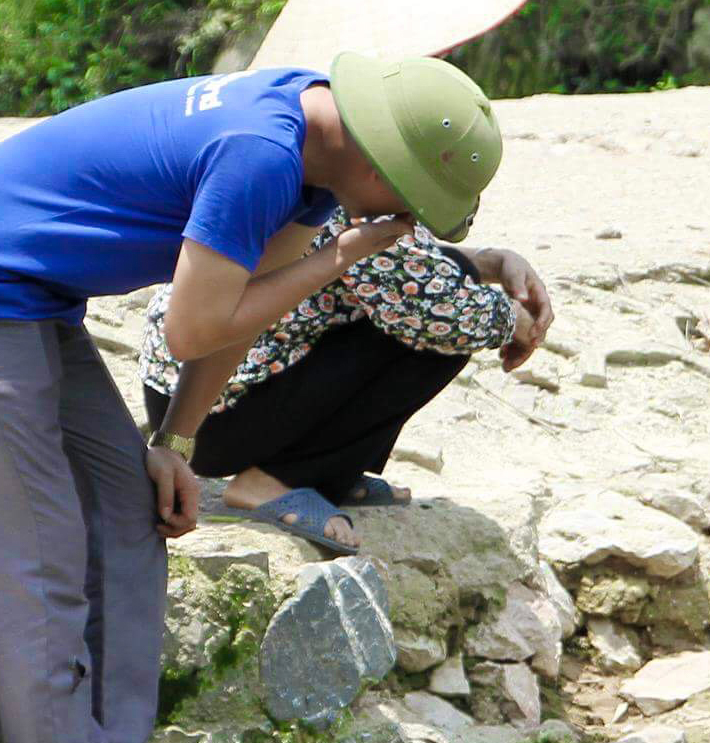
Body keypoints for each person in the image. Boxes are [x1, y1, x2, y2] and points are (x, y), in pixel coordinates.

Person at [0, 54, 504, 743]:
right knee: (40, 562)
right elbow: (194, 317)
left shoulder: (315, 151)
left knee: (132, 514)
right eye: (406, 201)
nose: (405, 222)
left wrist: (177, 437)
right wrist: (345, 256)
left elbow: (243, 311)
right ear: (377, 164)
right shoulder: (262, 153)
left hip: (34, 298)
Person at [136, 215, 555, 554]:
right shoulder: (357, 202)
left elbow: (413, 259)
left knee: (436, 291)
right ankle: (273, 480)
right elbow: (446, 311)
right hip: (211, 413)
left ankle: (328, 470)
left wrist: (493, 261)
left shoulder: (330, 171)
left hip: (189, 400)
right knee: (440, 335)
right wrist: (514, 321)